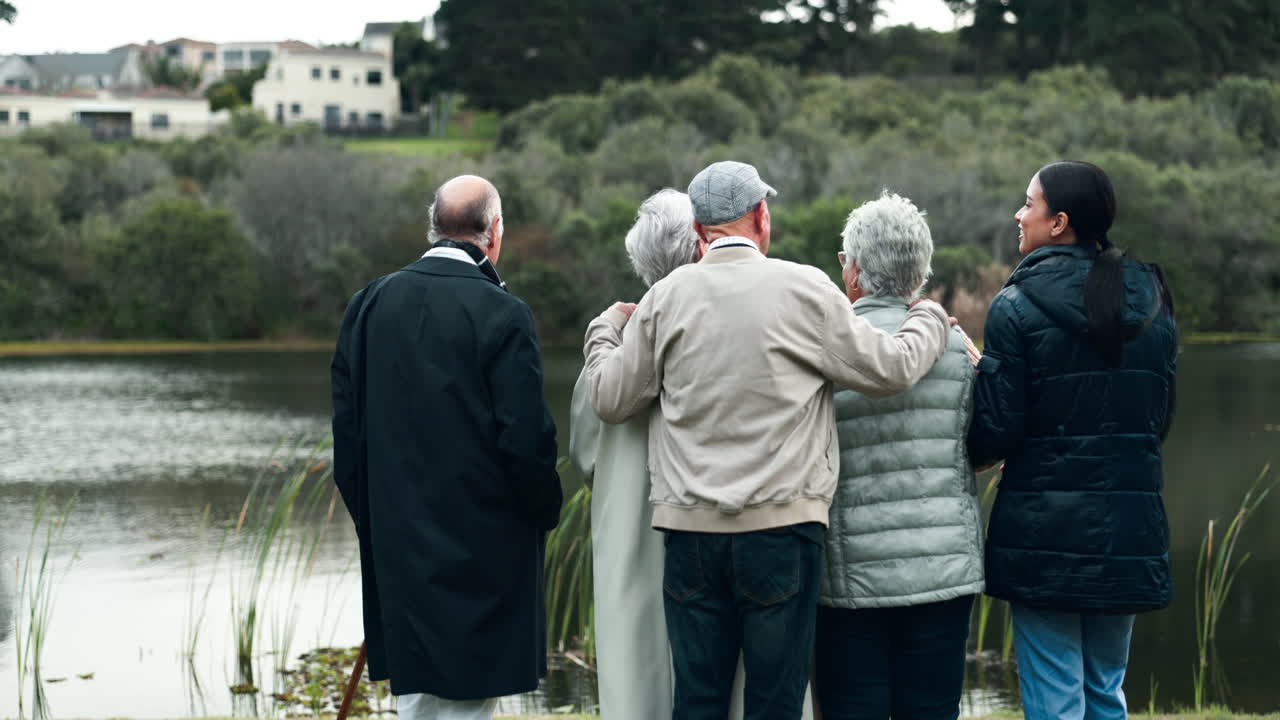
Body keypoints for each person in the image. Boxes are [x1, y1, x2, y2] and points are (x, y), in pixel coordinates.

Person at [582, 161, 952, 720]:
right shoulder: (803, 286)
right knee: (776, 700)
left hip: (690, 534)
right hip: (783, 530)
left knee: (699, 700)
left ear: (700, 228)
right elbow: (891, 369)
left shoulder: (666, 298)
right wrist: (928, 317)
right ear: (761, 216)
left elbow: (610, 399)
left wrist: (605, 329)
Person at [331, 175, 563, 720]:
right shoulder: (503, 314)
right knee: (468, 703)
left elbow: (348, 443)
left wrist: (378, 524)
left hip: (398, 547)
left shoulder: (368, 305)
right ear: (494, 232)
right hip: (481, 551)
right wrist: (542, 514)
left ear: (432, 227)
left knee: (417, 700)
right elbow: (527, 444)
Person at [968, 161, 1178, 720]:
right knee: (1106, 693)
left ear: (1058, 222)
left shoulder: (1016, 306)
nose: (1019, 213)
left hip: (1044, 537)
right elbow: (1158, 419)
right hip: (1128, 528)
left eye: (1028, 203)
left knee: (1055, 698)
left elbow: (995, 430)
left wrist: (982, 379)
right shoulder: (1153, 299)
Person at [814, 191, 984, 720]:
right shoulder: (959, 348)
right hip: (943, 569)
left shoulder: (825, 345)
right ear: (919, 270)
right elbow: (980, 444)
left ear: (856, 270)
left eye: (844, 260)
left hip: (850, 575)